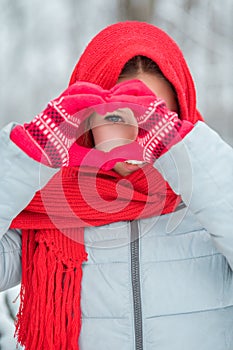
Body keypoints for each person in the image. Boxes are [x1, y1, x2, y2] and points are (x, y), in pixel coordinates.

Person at [0, 20, 233, 350]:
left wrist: (192, 159)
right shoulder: (44, 210)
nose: (137, 135)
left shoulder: (212, 208)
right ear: (85, 118)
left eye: (158, 116)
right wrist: (22, 158)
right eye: (117, 117)